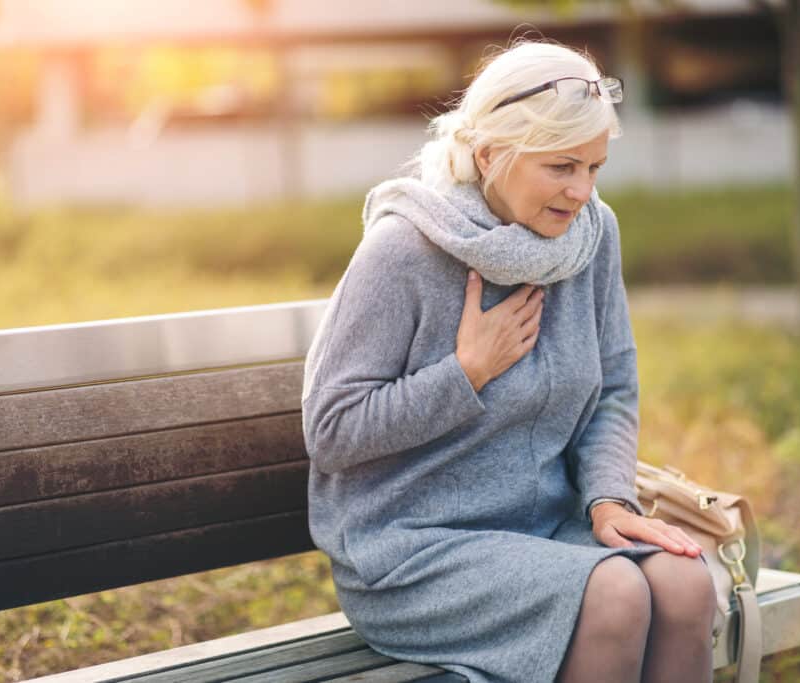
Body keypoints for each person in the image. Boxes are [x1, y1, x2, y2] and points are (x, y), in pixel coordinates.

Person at [301, 39, 717, 683]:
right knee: (615, 594)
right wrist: (466, 373)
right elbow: (331, 431)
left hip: (545, 529)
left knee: (687, 586)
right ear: (491, 154)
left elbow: (614, 386)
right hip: (415, 550)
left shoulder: (590, 236)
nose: (581, 192)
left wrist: (609, 499)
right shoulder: (403, 250)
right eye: (561, 168)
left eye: (594, 168)